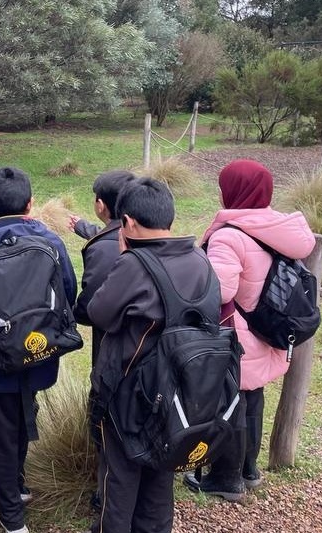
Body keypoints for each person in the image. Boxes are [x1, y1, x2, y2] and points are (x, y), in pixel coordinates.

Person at [183, 159, 315, 500]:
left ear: (233, 191)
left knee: (230, 401)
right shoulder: (278, 228)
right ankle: (249, 468)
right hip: (268, 329)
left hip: (238, 334)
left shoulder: (230, 235)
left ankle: (226, 478)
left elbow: (221, 292)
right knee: (252, 397)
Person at [87, 178, 211, 533]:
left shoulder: (134, 264)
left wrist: (126, 255)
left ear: (126, 222)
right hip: (182, 394)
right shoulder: (199, 258)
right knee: (160, 475)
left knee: (119, 481)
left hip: (131, 395)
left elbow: (99, 313)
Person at [0, 167, 77, 533]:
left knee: (2, 427)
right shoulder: (52, 241)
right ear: (30, 204)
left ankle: (10, 509)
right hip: (41, 351)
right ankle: (16, 487)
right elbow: (68, 293)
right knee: (26, 411)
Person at [68, 170, 137, 365]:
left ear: (100, 206)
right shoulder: (144, 230)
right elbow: (114, 232)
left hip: (114, 345)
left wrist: (73, 312)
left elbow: (92, 302)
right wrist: (84, 228)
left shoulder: (102, 250)